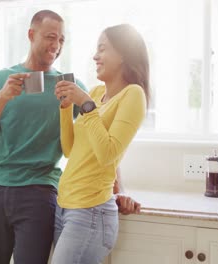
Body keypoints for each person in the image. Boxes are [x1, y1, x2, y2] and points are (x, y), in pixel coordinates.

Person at [0, 10, 86, 264]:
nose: (56, 45)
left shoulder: (67, 85)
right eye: (50, 37)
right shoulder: (3, 79)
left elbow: (99, 130)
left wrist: (118, 187)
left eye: (62, 40)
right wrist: (3, 96)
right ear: (31, 35)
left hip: (39, 191)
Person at [52, 23, 150, 264]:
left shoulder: (133, 94)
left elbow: (108, 154)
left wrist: (86, 105)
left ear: (123, 54)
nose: (95, 56)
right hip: (64, 207)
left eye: (102, 49)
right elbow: (70, 150)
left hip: (90, 211)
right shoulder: (96, 93)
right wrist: (66, 108)